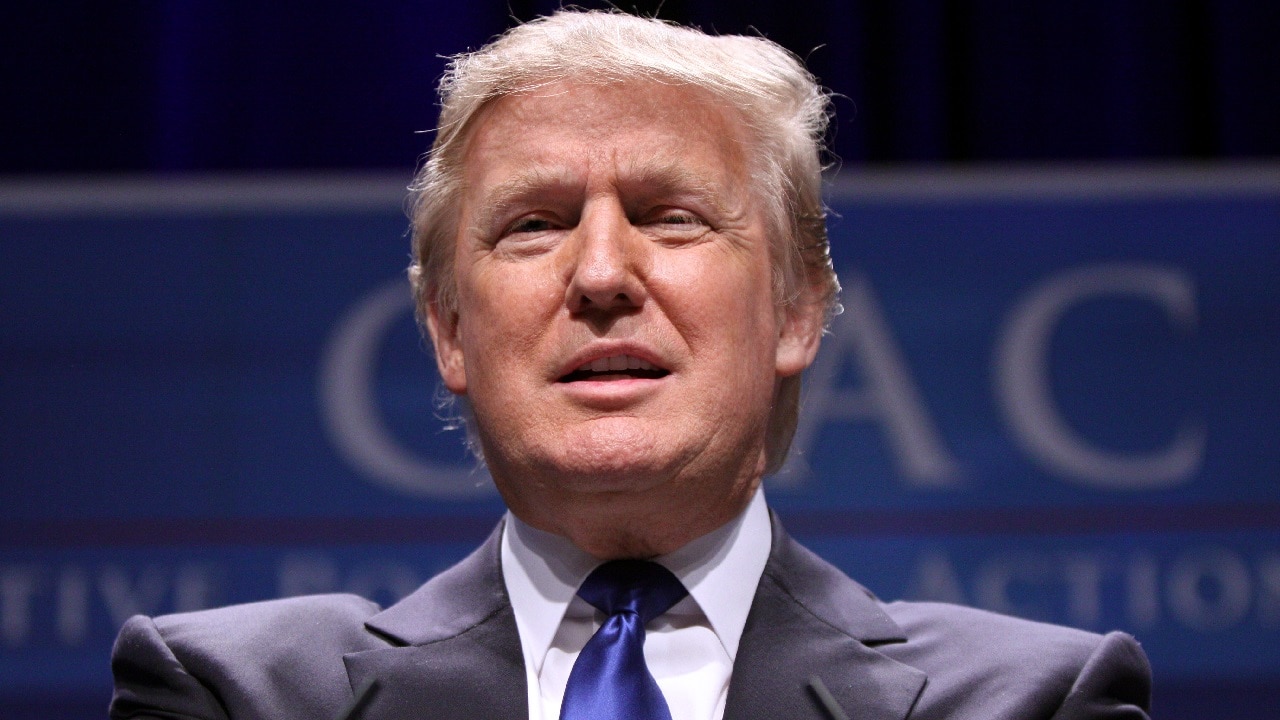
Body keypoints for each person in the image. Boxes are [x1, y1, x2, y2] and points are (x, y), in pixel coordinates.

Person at [110, 10, 1152, 720]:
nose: (601, 273)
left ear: (795, 311)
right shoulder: (237, 694)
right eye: (532, 224)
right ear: (448, 330)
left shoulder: (1027, 700)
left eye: (670, 216)